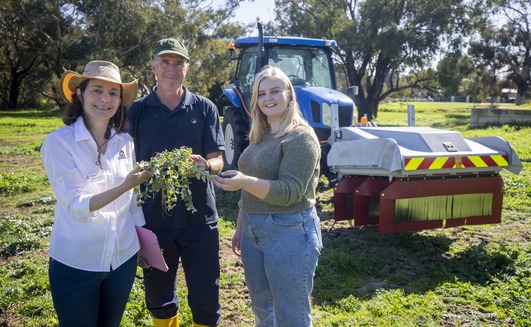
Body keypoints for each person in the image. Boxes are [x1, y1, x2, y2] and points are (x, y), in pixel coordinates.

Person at [40, 60, 152, 327]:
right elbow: (77, 206)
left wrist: (143, 245)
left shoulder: (125, 142)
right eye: (97, 90)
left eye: (113, 93)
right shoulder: (59, 143)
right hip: (76, 265)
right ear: (80, 94)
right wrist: (124, 185)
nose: (106, 99)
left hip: (122, 261)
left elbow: (133, 202)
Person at [212, 65, 323, 326]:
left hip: (289, 231)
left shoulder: (301, 138)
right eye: (261, 94)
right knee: (263, 309)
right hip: (254, 230)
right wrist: (242, 224)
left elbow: (290, 192)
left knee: (291, 314)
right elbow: (250, 184)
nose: (268, 98)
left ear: (289, 95)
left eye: (275, 91)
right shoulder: (259, 135)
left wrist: (244, 181)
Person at [128, 37, 225, 327]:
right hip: (154, 221)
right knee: (159, 297)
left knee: (206, 296)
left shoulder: (204, 108)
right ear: (154, 66)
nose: (172, 68)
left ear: (187, 68)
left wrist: (206, 165)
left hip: (200, 220)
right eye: (166, 62)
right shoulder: (137, 111)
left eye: (179, 63)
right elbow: (123, 164)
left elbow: (218, 160)